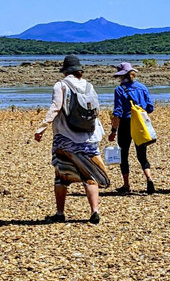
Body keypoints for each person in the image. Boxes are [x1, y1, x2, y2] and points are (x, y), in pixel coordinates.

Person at [35, 55, 107, 224]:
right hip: (89, 137)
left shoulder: (61, 85)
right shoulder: (89, 85)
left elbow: (55, 107)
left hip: (65, 137)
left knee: (61, 176)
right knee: (90, 175)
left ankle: (60, 213)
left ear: (65, 70)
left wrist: (42, 128)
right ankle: (94, 211)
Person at [108, 63, 155, 195]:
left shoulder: (119, 89)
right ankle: (149, 178)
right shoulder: (143, 87)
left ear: (121, 76)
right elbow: (150, 108)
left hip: (126, 123)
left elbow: (117, 112)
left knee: (123, 154)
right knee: (142, 154)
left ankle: (126, 184)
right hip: (140, 123)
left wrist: (113, 131)